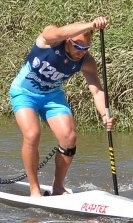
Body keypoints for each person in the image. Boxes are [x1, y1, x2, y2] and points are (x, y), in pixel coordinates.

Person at [8, 16, 114, 198]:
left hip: (52, 97)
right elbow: (58, 32)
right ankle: (34, 189)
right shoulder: (48, 40)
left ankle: (58, 187)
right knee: (32, 134)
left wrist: (105, 113)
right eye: (78, 46)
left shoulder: (86, 62)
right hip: (24, 93)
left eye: (86, 48)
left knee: (69, 137)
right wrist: (91, 24)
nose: (81, 52)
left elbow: (97, 91)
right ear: (68, 40)